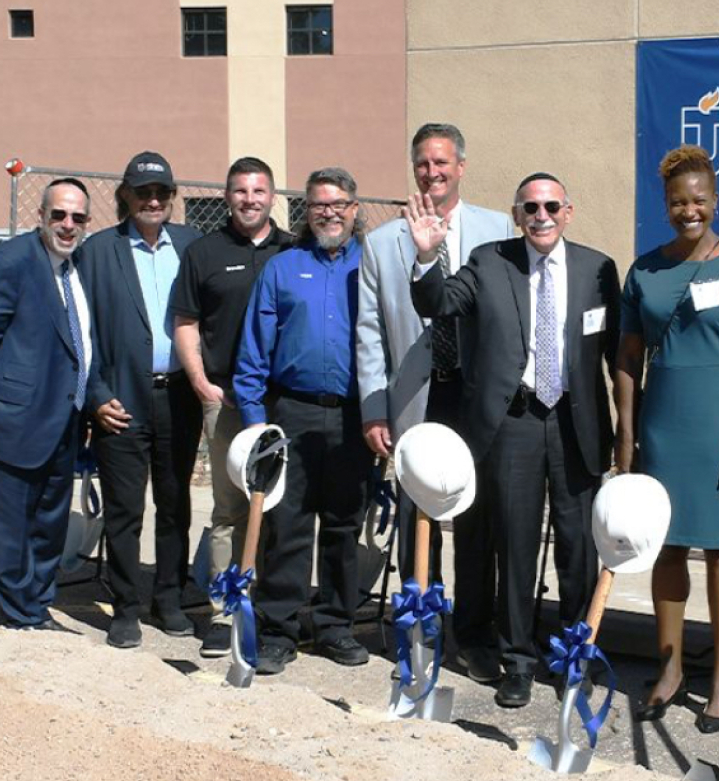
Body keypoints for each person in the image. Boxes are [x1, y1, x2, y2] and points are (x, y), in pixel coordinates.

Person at [408, 172, 620, 708]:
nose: (541, 215)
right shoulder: (487, 260)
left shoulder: (598, 269)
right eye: (530, 208)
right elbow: (437, 302)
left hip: (576, 426)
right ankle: (519, 661)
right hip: (515, 425)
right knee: (516, 547)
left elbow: (617, 353)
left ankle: (574, 657)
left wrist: (626, 434)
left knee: (578, 551)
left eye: (551, 205)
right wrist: (427, 258)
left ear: (568, 211)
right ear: (517, 214)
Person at [614, 145, 719, 732]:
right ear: (666, 205)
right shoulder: (645, 269)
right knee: (668, 546)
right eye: (679, 202)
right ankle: (671, 668)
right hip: (662, 422)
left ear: (715, 202)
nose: (689, 210)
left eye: (699, 200)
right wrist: (626, 434)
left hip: (718, 426)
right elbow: (628, 357)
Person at [355, 122, 513, 683]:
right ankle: (420, 625)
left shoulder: (499, 232)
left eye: (442, 162)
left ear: (462, 167)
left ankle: (473, 634)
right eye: (422, 163)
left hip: (479, 401)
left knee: (475, 522)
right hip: (416, 398)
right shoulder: (381, 243)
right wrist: (375, 407)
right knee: (416, 513)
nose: (432, 172)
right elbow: (370, 332)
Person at [234, 167, 375, 675]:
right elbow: (253, 351)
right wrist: (256, 424)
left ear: (354, 210)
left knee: (343, 524)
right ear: (305, 212)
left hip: (356, 415)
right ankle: (278, 628)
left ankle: (336, 625)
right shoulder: (283, 268)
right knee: (287, 524)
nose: (329, 213)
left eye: (339, 204)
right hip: (291, 411)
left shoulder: (373, 266)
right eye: (318, 205)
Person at [0, 178, 96, 630]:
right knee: (12, 529)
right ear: (41, 216)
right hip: (10, 420)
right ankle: (21, 616)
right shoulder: (12, 261)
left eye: (77, 217)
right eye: (59, 215)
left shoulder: (79, 267)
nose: (68, 225)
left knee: (49, 524)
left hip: (64, 422)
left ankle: (36, 604)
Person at [78, 152, 202, 650]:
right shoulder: (97, 251)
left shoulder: (194, 246)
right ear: (125, 197)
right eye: (142, 192)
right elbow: (78, 330)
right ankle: (126, 607)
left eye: (161, 193)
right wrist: (94, 395)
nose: (153, 200)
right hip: (120, 401)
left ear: (172, 198)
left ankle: (168, 600)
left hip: (178, 398)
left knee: (175, 506)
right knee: (125, 509)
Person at [171, 156, 293, 658]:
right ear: (227, 197)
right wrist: (200, 382)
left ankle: (274, 611)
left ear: (272, 198)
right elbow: (185, 320)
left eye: (258, 191)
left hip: (284, 402)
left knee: (285, 510)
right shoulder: (204, 252)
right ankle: (226, 608)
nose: (249, 199)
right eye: (240, 191)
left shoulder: (294, 250)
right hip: (225, 400)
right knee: (229, 507)